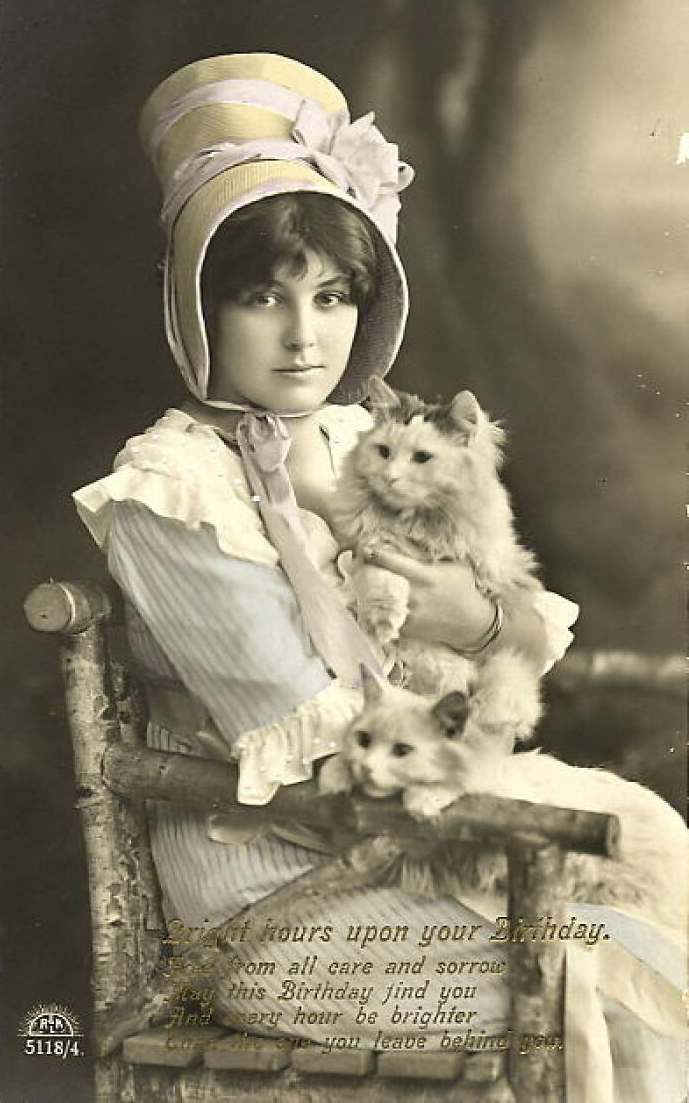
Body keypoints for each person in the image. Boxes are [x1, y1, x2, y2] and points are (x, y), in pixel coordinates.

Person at [73, 54, 685, 1100]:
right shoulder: (168, 492)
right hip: (280, 898)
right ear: (197, 306)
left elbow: (520, 622)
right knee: (614, 975)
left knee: (660, 901)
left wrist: (480, 620)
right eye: (263, 298)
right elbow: (323, 758)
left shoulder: (369, 437)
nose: (305, 336)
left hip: (420, 844)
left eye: (332, 295)